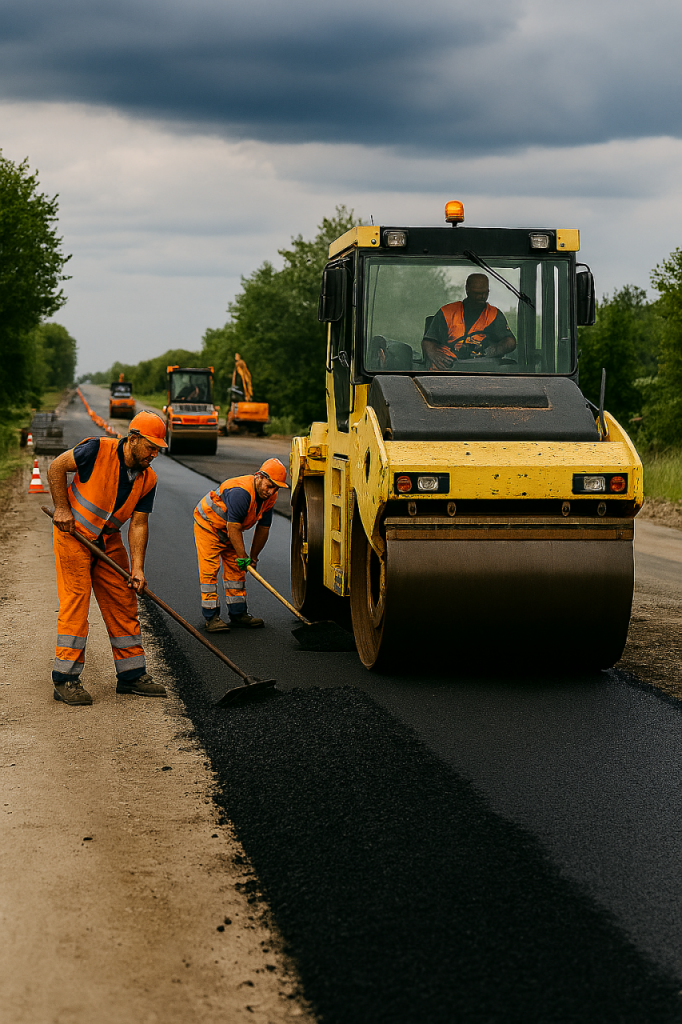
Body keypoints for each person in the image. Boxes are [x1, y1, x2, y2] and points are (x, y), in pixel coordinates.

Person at [48, 411, 168, 706]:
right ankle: (65, 679)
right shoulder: (96, 449)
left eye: (158, 449)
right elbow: (55, 467)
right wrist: (62, 509)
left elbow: (139, 524)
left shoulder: (148, 479)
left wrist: (137, 569)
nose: (154, 454)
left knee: (123, 600)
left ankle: (131, 675)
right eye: (151, 447)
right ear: (134, 438)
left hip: (107, 541)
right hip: (73, 535)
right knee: (77, 601)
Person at [193, 459, 288, 632]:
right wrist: (242, 556)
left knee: (237, 571)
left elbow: (263, 528)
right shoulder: (240, 492)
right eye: (269, 485)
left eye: (276, 488)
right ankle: (211, 617)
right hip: (209, 526)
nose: (271, 491)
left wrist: (252, 557)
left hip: (230, 530)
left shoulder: (270, 498)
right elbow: (233, 527)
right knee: (209, 571)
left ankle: (238, 614)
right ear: (259, 477)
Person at [422, 273, 516, 369]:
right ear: (467, 290)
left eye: (485, 293)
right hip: (448, 370)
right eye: (477, 293)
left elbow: (510, 342)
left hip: (482, 370)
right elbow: (428, 341)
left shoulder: (494, 314)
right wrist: (434, 354)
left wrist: (491, 351)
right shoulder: (447, 312)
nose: (481, 297)